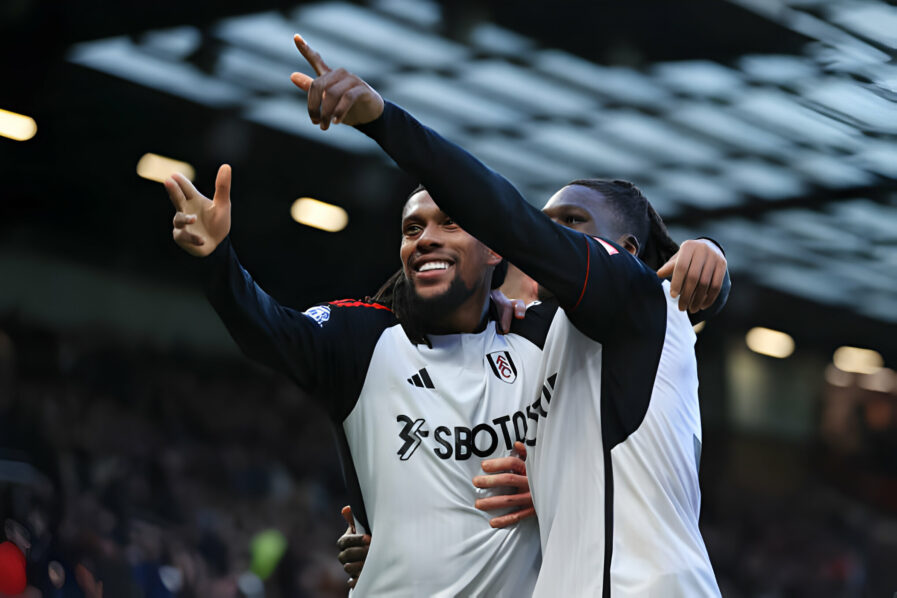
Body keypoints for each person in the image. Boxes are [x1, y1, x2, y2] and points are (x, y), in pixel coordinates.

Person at [290, 35, 725, 596]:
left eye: (570, 223)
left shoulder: (635, 299)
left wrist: (382, 119)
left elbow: (509, 219)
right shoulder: (550, 343)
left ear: (628, 252)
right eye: (548, 223)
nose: (546, 240)